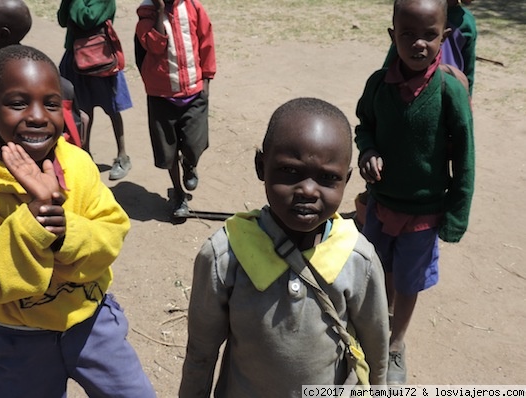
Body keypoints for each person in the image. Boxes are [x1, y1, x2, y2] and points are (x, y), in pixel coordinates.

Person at [179, 97, 389, 396]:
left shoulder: (357, 259)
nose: (307, 190)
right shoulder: (226, 255)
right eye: (290, 171)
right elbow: (201, 352)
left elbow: (375, 350)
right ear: (261, 166)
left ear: (347, 180)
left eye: (328, 178)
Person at [0, 44, 156, 397]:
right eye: (18, 103)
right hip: (17, 339)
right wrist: (34, 221)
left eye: (51, 104)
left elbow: (112, 231)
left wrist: (64, 229)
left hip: (91, 322)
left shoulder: (78, 164)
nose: (38, 116)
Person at [355, 0, 475, 385]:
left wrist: (456, 214)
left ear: (444, 36)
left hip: (424, 212)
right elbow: (364, 126)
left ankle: (395, 343)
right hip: (382, 204)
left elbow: (465, 157)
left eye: (429, 35)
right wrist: (368, 150)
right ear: (393, 36)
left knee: (409, 282)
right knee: (380, 270)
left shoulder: (449, 92)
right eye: (408, 34)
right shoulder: (377, 84)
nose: (418, 43)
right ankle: (377, 327)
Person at [136, 0, 216, 217]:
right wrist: (160, 12)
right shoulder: (146, 15)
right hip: (161, 97)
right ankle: (179, 196)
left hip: (194, 91)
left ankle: (190, 164)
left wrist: (207, 79)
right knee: (168, 153)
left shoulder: (193, 7)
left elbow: (206, 41)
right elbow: (155, 45)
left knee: (195, 144)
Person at [58, 0, 133, 180]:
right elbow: (62, 20)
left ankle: (122, 156)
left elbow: (87, 19)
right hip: (76, 57)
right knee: (82, 109)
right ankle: (85, 154)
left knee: (112, 109)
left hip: (100, 58)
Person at [0, 0, 86, 147]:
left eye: (51, 104)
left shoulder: (37, 73)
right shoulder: (46, 72)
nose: (37, 117)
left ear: (3, 34)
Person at [384, 0, 477, 96]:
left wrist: (467, 99)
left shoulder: (467, 22)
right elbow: (392, 60)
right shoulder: (414, 10)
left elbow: (468, 71)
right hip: (406, 89)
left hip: (447, 92)